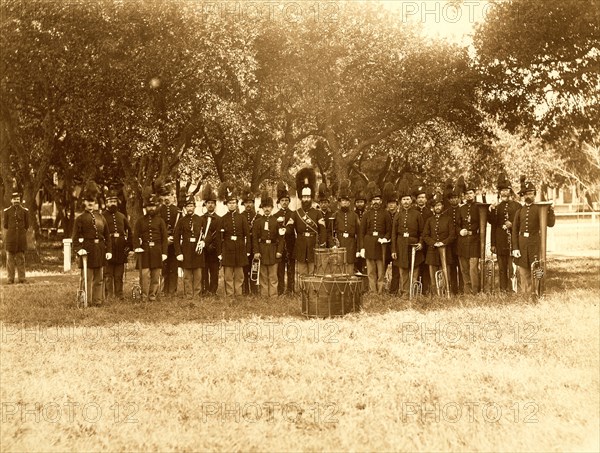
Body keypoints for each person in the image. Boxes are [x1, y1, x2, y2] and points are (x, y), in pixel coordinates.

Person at [511, 178, 556, 296]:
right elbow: (514, 231)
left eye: (530, 193)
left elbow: (550, 224)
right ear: (522, 196)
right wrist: (515, 248)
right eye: (525, 194)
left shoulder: (539, 209)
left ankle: (538, 293)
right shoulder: (519, 211)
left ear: (534, 194)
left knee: (538, 269)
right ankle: (527, 295)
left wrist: (551, 211)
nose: (528, 196)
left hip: (535, 243)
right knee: (523, 272)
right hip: (522, 244)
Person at [72, 181, 112, 306]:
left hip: (99, 250)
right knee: (87, 278)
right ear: (84, 202)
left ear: (95, 203)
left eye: (93, 201)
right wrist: (79, 250)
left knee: (99, 278)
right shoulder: (80, 218)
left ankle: (97, 301)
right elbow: (75, 238)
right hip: (87, 250)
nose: (90, 204)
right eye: (88, 201)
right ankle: (86, 301)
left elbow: (107, 235)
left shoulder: (101, 217)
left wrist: (109, 250)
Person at [286, 168, 327, 276]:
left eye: (308, 197)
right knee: (302, 272)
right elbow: (289, 229)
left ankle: (313, 293)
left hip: (314, 244)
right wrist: (283, 229)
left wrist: (322, 243)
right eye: (304, 197)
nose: (306, 199)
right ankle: (302, 292)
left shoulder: (317, 213)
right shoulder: (296, 213)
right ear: (301, 197)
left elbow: (322, 229)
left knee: (314, 271)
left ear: (311, 197)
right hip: (301, 244)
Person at [391, 177, 424, 298]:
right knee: (403, 270)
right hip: (401, 245)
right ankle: (405, 293)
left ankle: (413, 292)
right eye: (404, 199)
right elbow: (393, 234)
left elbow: (422, 231)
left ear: (411, 200)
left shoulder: (417, 214)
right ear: (400, 201)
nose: (406, 201)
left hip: (414, 245)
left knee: (415, 269)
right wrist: (393, 250)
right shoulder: (397, 215)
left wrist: (421, 243)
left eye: (408, 199)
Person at [488, 173, 521, 293]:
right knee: (502, 269)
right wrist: (493, 244)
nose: (504, 193)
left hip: (513, 242)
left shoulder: (518, 206)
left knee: (512, 268)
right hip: (500, 242)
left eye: (506, 190)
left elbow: (521, 224)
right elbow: (492, 225)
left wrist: (512, 225)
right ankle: (503, 290)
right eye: (502, 191)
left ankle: (513, 290)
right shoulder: (496, 207)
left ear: (511, 191)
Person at [133, 190, 168, 301]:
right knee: (144, 275)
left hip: (157, 250)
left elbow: (164, 238)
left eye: (153, 206)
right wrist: (137, 247)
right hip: (144, 251)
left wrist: (164, 253)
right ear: (145, 208)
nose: (151, 209)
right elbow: (135, 236)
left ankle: (152, 296)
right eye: (149, 207)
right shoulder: (140, 221)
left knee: (155, 275)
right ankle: (143, 296)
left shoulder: (160, 221)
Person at [218, 182, 251, 296]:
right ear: (226, 204)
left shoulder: (242, 218)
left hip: (240, 248)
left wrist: (247, 250)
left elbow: (247, 235)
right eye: (230, 203)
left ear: (237, 204)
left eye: (234, 203)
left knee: (239, 274)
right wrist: (220, 252)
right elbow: (219, 238)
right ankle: (230, 294)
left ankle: (238, 293)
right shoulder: (222, 219)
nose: (232, 205)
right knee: (228, 275)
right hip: (227, 249)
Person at [360, 181, 392, 294]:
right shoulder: (366, 214)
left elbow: (389, 230)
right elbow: (361, 233)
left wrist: (385, 238)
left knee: (381, 270)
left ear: (381, 201)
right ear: (371, 201)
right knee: (370, 270)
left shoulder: (386, 214)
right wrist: (362, 248)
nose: (376, 202)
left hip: (381, 245)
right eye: (374, 200)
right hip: (368, 244)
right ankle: (373, 291)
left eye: (378, 200)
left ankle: (381, 290)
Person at [174, 195, 207, 299]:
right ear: (185, 208)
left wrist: (203, 242)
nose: (189, 208)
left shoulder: (200, 219)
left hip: (198, 251)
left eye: (191, 206)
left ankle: (197, 295)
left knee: (198, 275)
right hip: (186, 251)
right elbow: (176, 238)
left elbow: (206, 233)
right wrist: (179, 253)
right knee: (187, 276)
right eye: (187, 206)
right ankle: (189, 295)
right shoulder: (181, 221)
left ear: (194, 207)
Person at [423, 194, 456, 296]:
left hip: (445, 250)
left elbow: (452, 235)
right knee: (433, 273)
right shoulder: (429, 220)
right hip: (432, 250)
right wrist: (433, 243)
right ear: (433, 208)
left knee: (446, 273)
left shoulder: (448, 219)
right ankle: (435, 293)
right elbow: (425, 235)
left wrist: (443, 243)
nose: (438, 207)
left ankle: (446, 292)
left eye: (439, 205)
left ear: (442, 207)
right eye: (436, 206)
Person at [102, 188, 133, 299]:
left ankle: (119, 295)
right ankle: (109, 296)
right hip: (108, 249)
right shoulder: (102, 216)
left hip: (120, 249)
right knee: (108, 275)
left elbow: (130, 231)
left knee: (119, 275)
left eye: (114, 201)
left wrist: (129, 247)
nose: (113, 204)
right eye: (110, 201)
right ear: (106, 203)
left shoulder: (122, 216)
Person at [252, 190, 284, 297]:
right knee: (263, 274)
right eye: (264, 207)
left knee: (273, 274)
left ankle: (273, 296)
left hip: (273, 249)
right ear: (262, 208)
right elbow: (255, 238)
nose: (266, 209)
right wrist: (256, 251)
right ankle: (264, 295)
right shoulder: (257, 222)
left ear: (272, 208)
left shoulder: (276, 221)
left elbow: (281, 238)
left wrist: (279, 251)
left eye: (269, 207)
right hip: (262, 249)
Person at [331, 180, 362, 275]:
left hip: (351, 244)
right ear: (340, 203)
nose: (344, 203)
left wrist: (358, 249)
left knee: (349, 267)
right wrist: (333, 243)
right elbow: (330, 231)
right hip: (339, 243)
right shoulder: (335, 215)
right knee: (338, 267)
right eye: (342, 201)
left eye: (346, 201)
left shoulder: (354, 216)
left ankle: (349, 288)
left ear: (349, 202)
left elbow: (359, 233)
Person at [456, 179, 481, 294]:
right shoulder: (461, 208)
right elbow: (456, 225)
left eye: (471, 193)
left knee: (473, 268)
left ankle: (475, 291)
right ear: (464, 195)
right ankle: (467, 291)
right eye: (466, 193)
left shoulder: (479, 206)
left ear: (474, 194)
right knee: (464, 268)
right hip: (462, 241)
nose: (469, 195)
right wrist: (460, 231)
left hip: (475, 240)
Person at [3, 187, 29, 284]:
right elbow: (5, 225)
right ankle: (10, 279)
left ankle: (22, 278)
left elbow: (27, 225)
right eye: (14, 199)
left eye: (18, 199)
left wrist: (21, 234)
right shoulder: (7, 211)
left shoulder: (25, 211)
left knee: (21, 258)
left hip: (21, 239)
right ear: (11, 200)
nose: (16, 201)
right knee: (10, 259)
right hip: (10, 239)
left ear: (20, 200)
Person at [275, 182, 296, 295]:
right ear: (279, 202)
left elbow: (294, 229)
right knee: (280, 269)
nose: (284, 202)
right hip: (280, 246)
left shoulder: (293, 214)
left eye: (286, 200)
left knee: (291, 268)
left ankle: (290, 289)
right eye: (282, 200)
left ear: (289, 202)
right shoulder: (275, 215)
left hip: (291, 243)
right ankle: (280, 289)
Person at [158, 189, 180, 295]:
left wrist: (174, 239)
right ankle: (163, 290)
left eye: (169, 195)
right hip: (162, 244)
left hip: (174, 244)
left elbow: (181, 229)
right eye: (165, 195)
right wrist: (165, 239)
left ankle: (172, 290)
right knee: (163, 267)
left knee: (173, 267)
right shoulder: (158, 211)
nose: (167, 198)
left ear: (173, 197)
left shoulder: (178, 211)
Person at [201, 183, 221, 296]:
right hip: (203, 251)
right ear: (205, 204)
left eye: (212, 203)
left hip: (214, 251)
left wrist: (214, 247)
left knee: (214, 272)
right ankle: (205, 290)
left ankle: (213, 291)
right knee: (204, 271)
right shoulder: (201, 219)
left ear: (215, 205)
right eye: (208, 203)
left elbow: (219, 236)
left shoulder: (219, 219)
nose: (210, 205)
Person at [444, 178, 463, 295]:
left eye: (456, 197)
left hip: (461, 242)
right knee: (451, 266)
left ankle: (461, 289)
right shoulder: (446, 213)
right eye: (452, 198)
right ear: (449, 200)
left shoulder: (463, 210)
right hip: (450, 244)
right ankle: (453, 289)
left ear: (459, 198)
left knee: (461, 267)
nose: (454, 200)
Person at [413, 183, 433, 295]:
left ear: (426, 200)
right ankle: (416, 289)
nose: (421, 200)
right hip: (415, 243)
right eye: (419, 197)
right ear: (416, 199)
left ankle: (426, 290)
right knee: (416, 266)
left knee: (426, 266)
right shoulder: (412, 211)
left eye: (423, 197)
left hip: (427, 243)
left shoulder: (429, 212)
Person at [241, 187, 259, 295]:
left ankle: (254, 289)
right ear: (243, 204)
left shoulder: (258, 216)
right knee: (244, 268)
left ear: (253, 203)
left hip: (255, 246)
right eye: (246, 203)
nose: (248, 205)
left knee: (255, 267)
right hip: (243, 246)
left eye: (250, 202)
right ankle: (245, 290)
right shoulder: (240, 216)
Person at [383, 182, 400, 294]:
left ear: (397, 204)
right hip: (385, 244)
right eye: (389, 203)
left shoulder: (400, 214)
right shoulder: (384, 214)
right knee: (383, 267)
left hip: (396, 245)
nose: (391, 205)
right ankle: (382, 288)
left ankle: (393, 290)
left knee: (396, 268)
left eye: (393, 203)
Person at [353, 183, 367, 275]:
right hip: (356, 239)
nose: (359, 204)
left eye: (361, 202)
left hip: (366, 239)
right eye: (357, 202)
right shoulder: (353, 214)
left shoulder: (367, 213)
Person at [317, 183, 334, 247]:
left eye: (325, 202)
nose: (323, 204)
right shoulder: (316, 214)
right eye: (322, 203)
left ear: (328, 204)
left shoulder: (332, 214)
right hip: (319, 240)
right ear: (319, 204)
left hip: (330, 240)